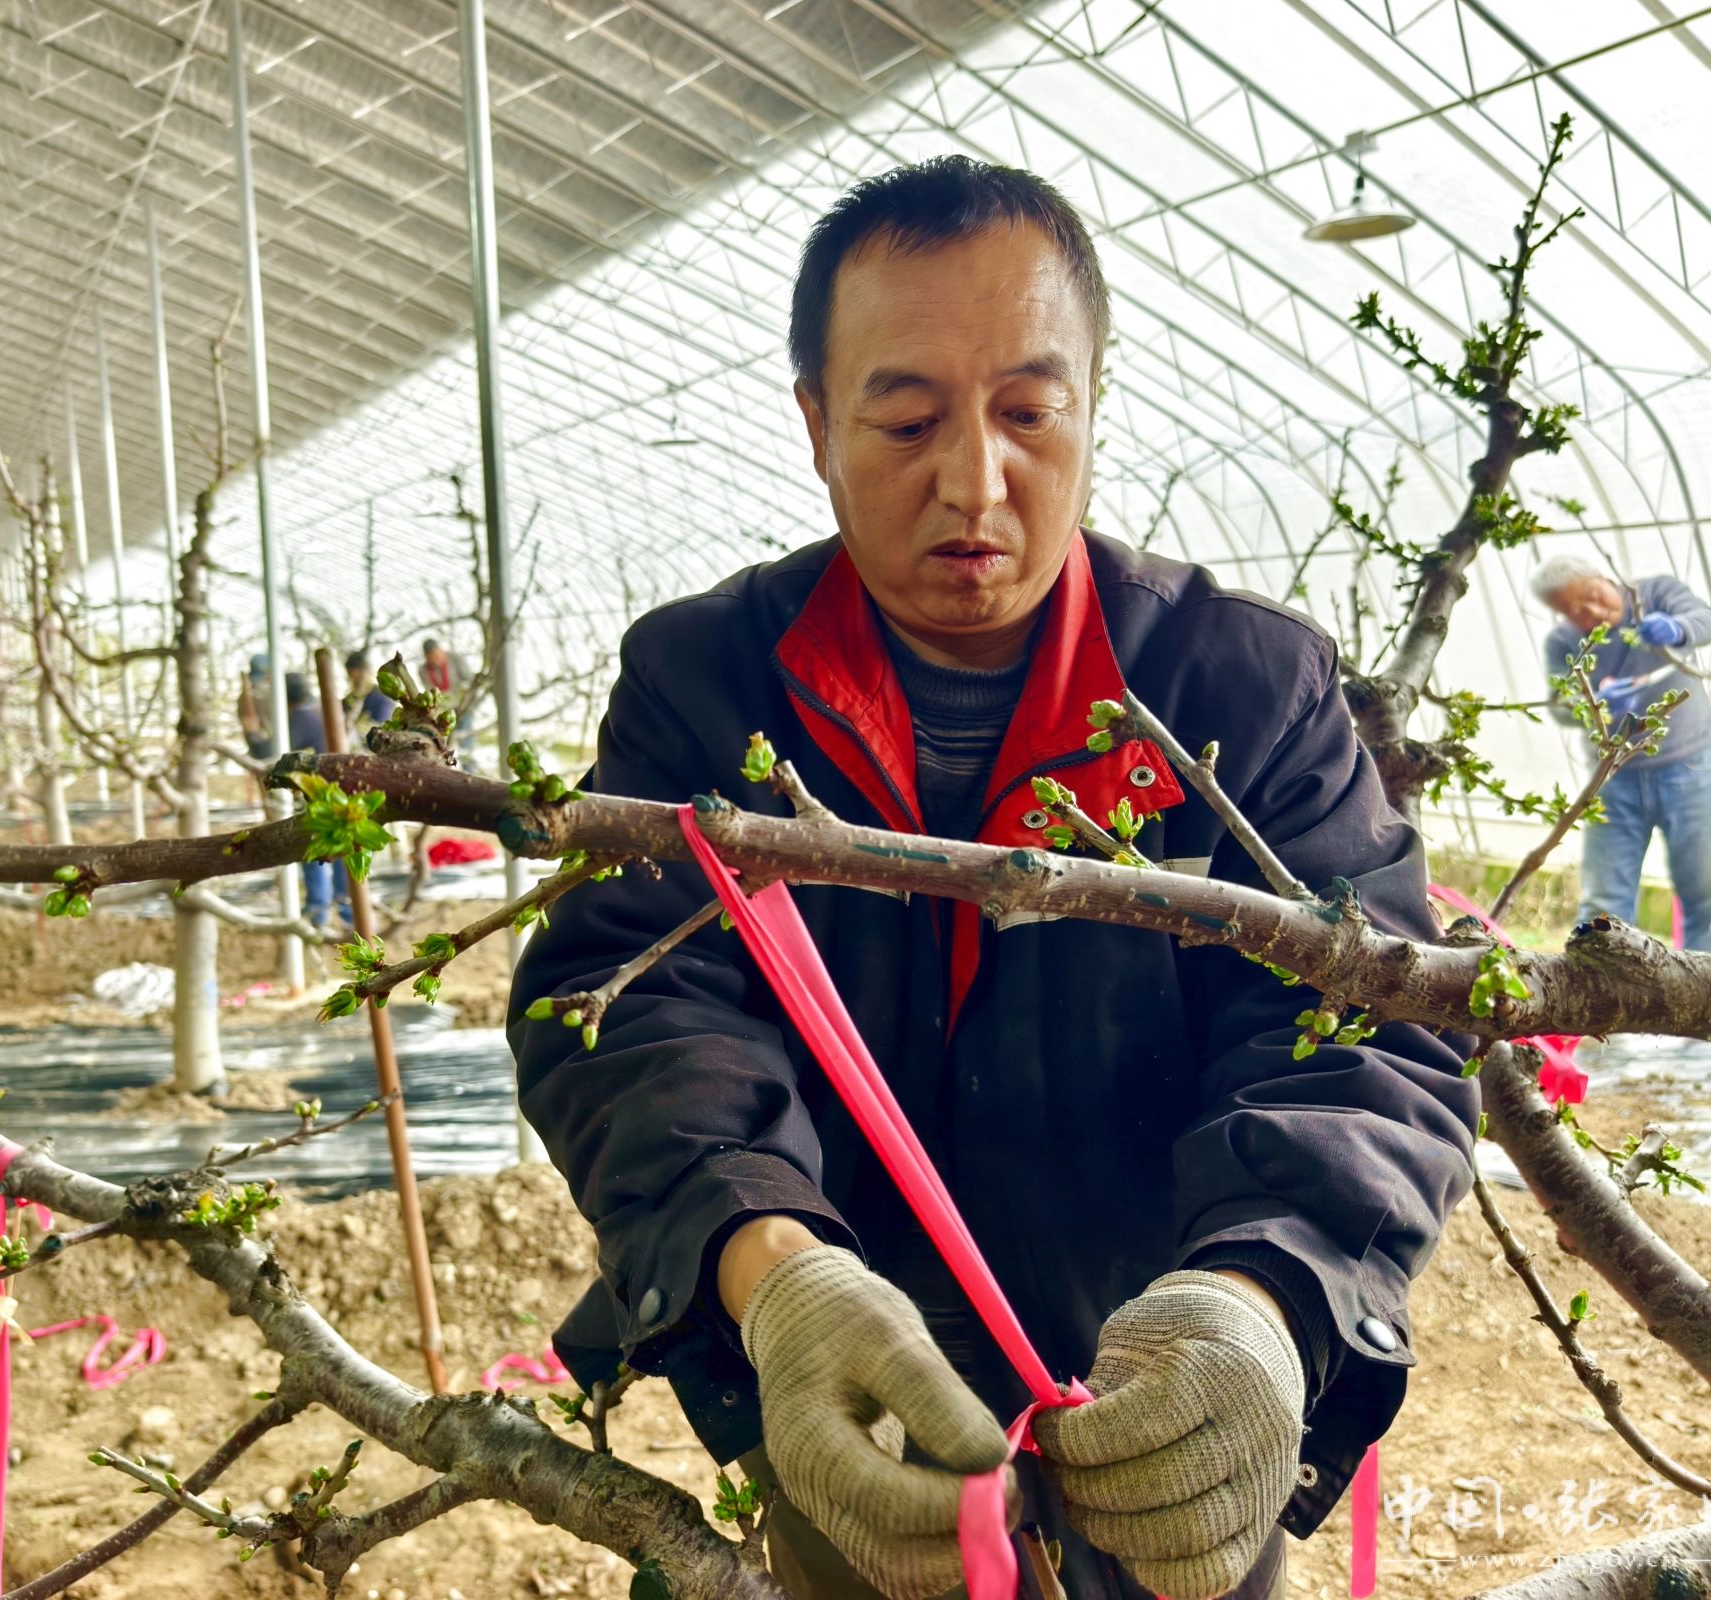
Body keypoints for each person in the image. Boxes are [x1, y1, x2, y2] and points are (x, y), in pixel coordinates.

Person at [507, 157, 1475, 1600]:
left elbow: (1365, 1030)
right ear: (816, 423)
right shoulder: (707, 686)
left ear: (1091, 403)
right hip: (849, 1399)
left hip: (1171, 1394)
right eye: (906, 420)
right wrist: (774, 1277)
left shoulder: (1236, 689)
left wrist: (1262, 1301)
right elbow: (631, 1003)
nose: (975, 480)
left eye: (1029, 412)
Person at [1532, 553, 1711, 951]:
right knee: (1603, 901)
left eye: (1592, 596)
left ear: (1602, 576)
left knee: (1706, 893)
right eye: (1574, 612)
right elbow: (1559, 705)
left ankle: (1708, 983)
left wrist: (1678, 628)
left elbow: (1708, 620)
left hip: (1690, 766)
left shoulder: (1655, 594)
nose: (1591, 612)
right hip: (1614, 779)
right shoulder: (1563, 643)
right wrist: (1594, 703)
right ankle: (1603, 980)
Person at [282, 672, 352, 932]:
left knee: (312, 851)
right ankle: (349, 914)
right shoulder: (325, 711)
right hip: (346, 792)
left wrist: (251, 730)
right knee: (344, 852)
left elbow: (273, 751)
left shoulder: (301, 718)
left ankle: (318, 914)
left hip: (323, 797)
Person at [421, 637, 478, 768]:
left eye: (437, 655)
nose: (436, 660)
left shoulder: (455, 659)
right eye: (431, 658)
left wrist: (463, 698)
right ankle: (444, 769)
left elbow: (470, 680)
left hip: (463, 706)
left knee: (465, 742)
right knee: (442, 743)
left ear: (441, 650)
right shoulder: (423, 670)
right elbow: (430, 691)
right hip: (443, 710)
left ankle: (469, 770)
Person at [344, 648, 398, 733]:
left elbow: (383, 728)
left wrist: (355, 726)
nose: (356, 682)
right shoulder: (347, 701)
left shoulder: (383, 696)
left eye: (359, 677)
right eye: (352, 678)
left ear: (367, 671)